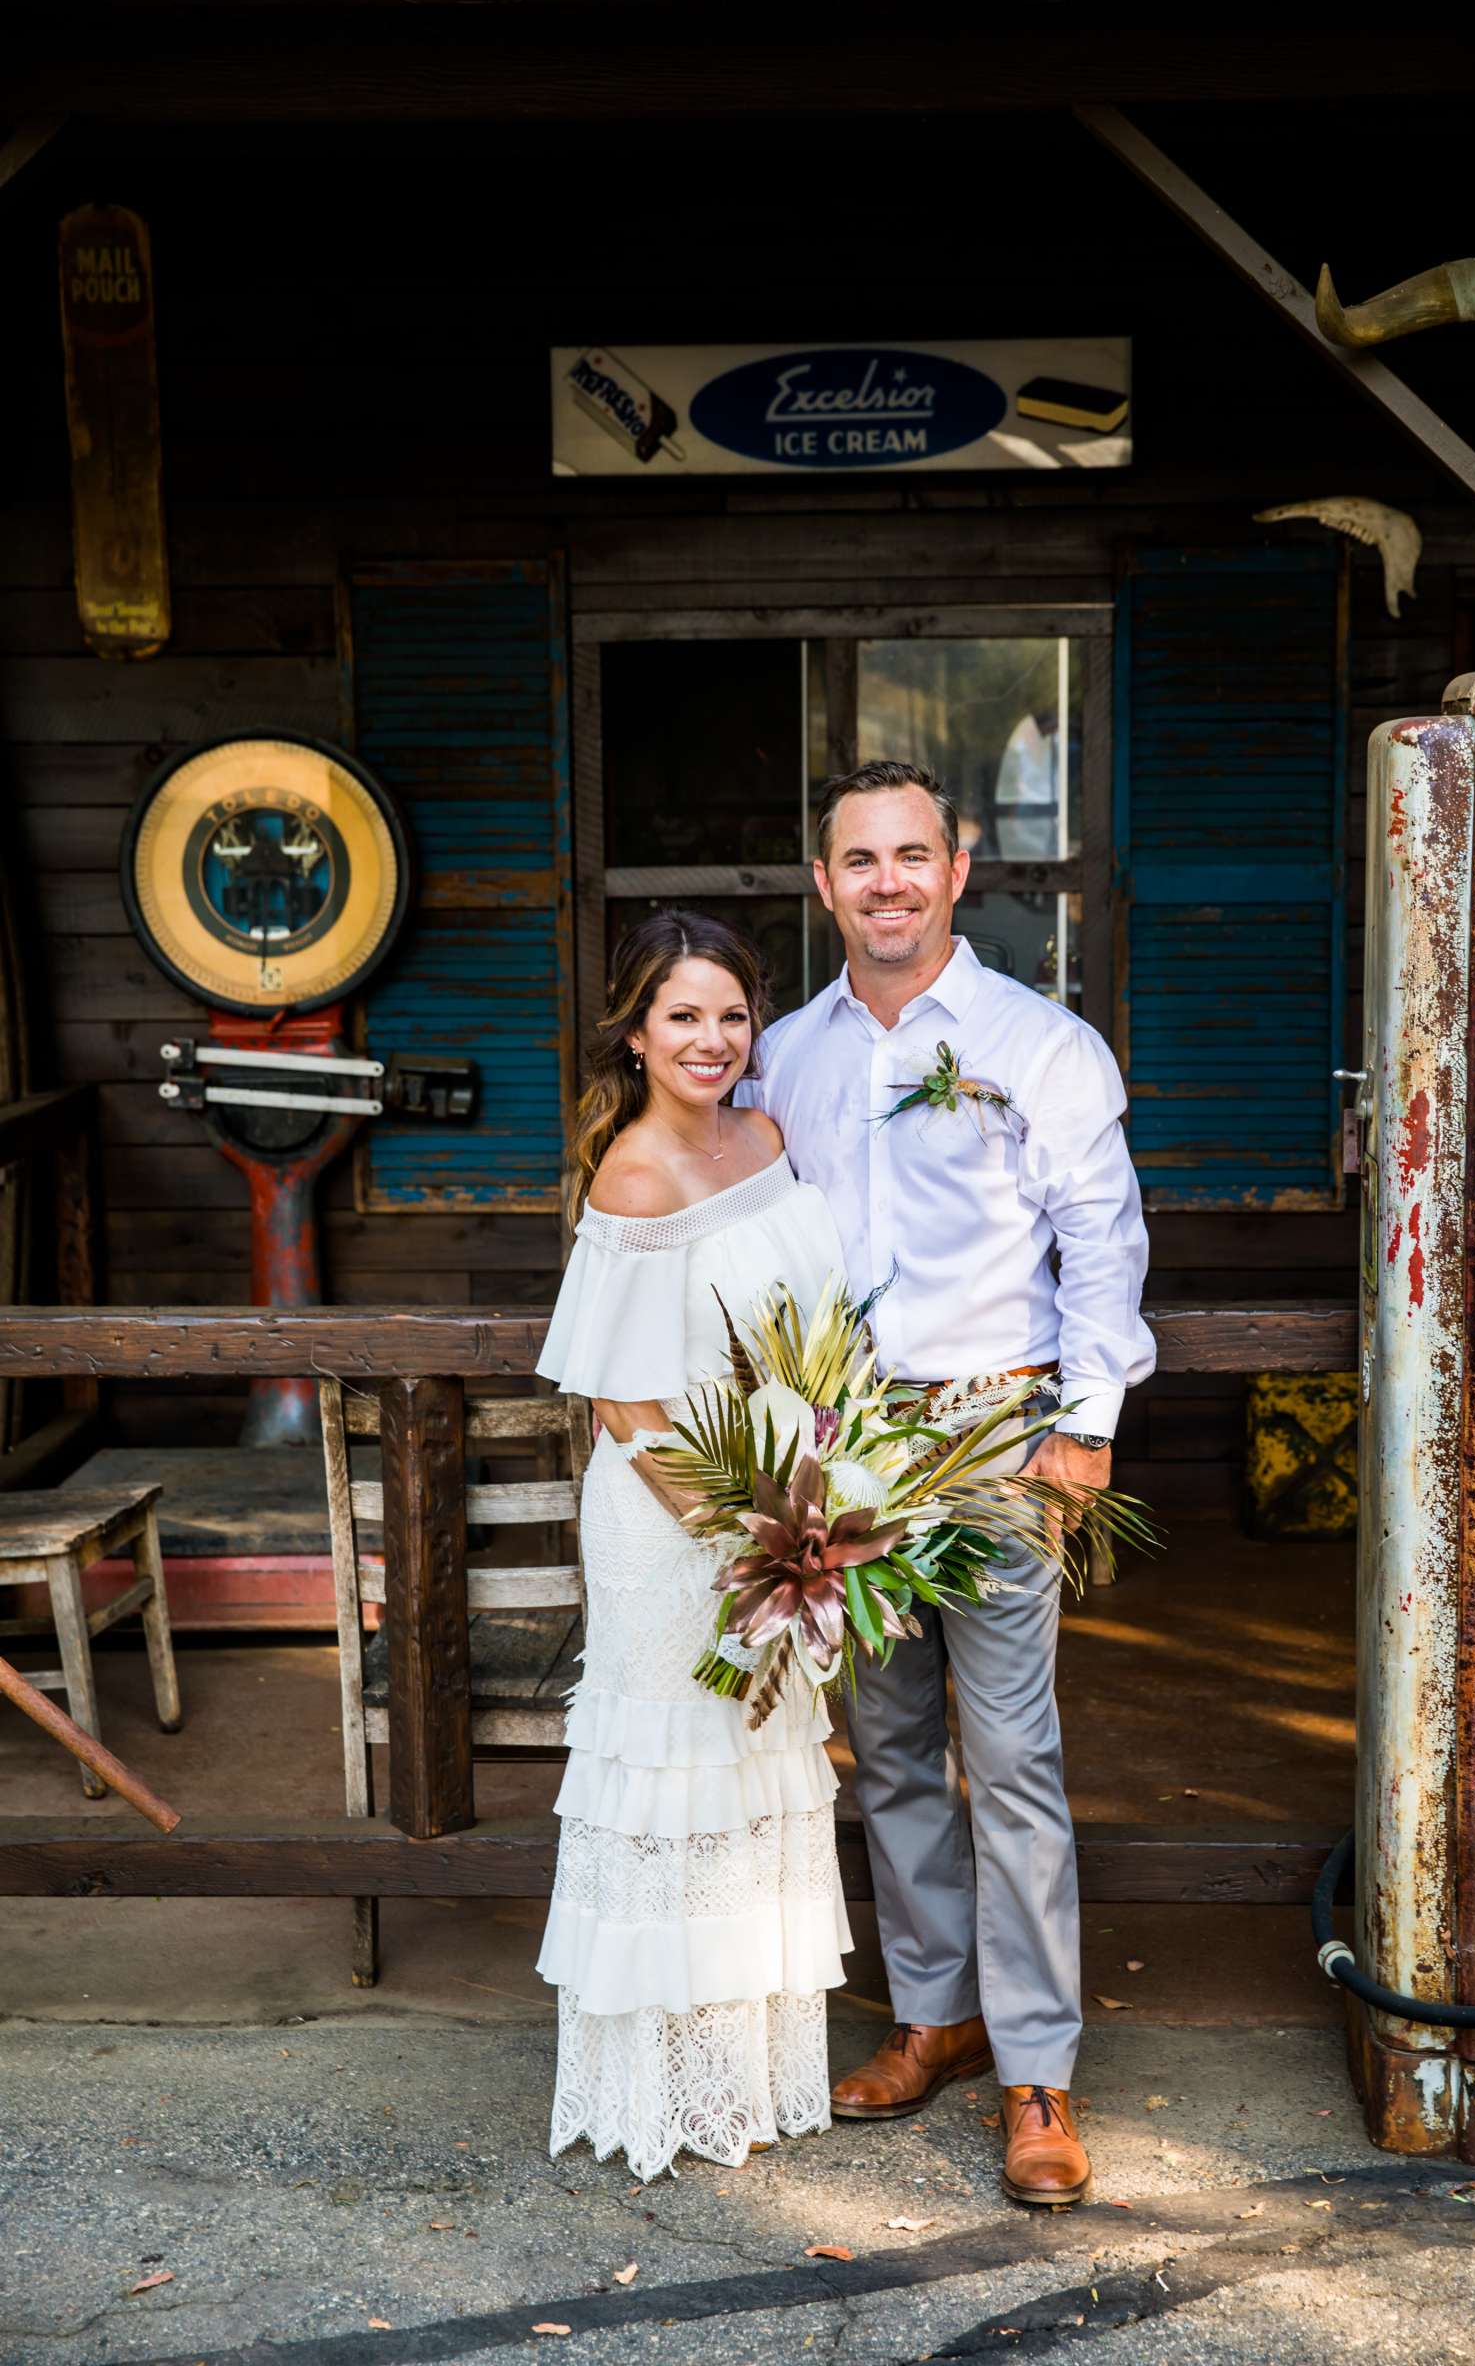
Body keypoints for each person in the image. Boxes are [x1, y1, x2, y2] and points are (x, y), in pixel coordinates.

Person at [741, 759, 1155, 2208]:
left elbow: (1101, 1242)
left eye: (913, 856)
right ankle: (937, 2017)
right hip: (843, 1453)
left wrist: (1086, 1427)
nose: (889, 883)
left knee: (1015, 1758)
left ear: (960, 871)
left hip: (999, 1441)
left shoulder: (1039, 1044)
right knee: (890, 1750)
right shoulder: (784, 1054)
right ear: (826, 883)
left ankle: (1038, 2066)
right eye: (862, 861)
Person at [535, 909, 852, 2183]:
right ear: (635, 1031)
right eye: (683, 1017)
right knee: (673, 1781)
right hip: (675, 1523)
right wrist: (743, 1536)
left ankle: (748, 2071)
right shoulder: (633, 1174)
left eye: (731, 1014)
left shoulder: (767, 1137)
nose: (712, 1039)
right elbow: (626, 1407)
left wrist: (817, 1493)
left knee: (759, 1770)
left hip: (782, 1498)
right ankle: (666, 2084)